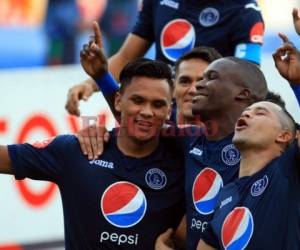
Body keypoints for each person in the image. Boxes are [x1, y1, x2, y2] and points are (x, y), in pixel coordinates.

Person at [78, 24, 270, 248]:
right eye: (185, 81)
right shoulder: (187, 138)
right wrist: (102, 79)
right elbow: (135, 117)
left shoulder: (266, 141)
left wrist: (296, 85)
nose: (196, 87)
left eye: (207, 79)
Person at [0, 59, 189, 249]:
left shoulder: (186, 162)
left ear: (168, 111)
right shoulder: (75, 151)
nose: (147, 112)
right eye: (138, 100)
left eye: (157, 104)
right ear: (118, 101)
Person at [65, 0, 264, 116]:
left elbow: (248, 80)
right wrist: (90, 84)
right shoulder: (157, 2)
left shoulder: (246, 11)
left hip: (211, 123)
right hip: (163, 117)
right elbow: (126, 56)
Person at [197, 100, 299, 250]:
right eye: (246, 111)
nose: (246, 113)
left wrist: (296, 84)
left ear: (284, 136)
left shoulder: (289, 169)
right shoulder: (226, 193)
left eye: (260, 112)